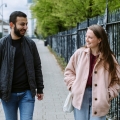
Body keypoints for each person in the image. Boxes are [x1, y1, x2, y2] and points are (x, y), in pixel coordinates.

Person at [64, 24, 120, 120]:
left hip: (100, 98)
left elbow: (117, 79)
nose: (86, 39)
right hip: (81, 97)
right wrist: (73, 86)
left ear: (99, 40)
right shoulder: (79, 53)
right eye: (86, 36)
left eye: (90, 37)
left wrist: (108, 94)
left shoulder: (109, 58)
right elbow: (69, 71)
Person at [0, 11, 44, 120]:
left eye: (26, 24)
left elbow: (37, 66)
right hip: (8, 95)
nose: (25, 27)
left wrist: (40, 89)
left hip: (27, 94)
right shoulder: (2, 44)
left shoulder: (30, 44)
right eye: (22, 24)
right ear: (12, 25)